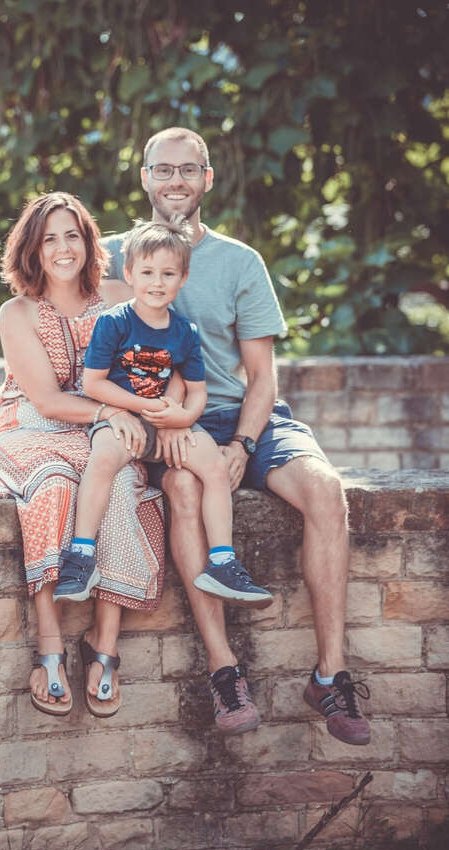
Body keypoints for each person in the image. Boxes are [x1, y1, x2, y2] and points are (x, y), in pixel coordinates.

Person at [103, 127, 371, 745]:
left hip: (248, 421)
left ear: (207, 179)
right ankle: (225, 672)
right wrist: (167, 421)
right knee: (186, 494)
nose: (175, 181)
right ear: (144, 176)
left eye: (188, 170)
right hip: (168, 421)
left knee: (327, 490)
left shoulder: (241, 261)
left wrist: (242, 446)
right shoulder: (115, 254)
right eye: (163, 169)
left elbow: (262, 379)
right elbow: (93, 346)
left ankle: (330, 674)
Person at [0, 192, 166, 719]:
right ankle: (49, 648)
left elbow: (156, 362)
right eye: (49, 238)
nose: (63, 248)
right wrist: (108, 415)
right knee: (55, 482)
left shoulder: (124, 296)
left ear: (88, 241)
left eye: (72, 235)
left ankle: (104, 648)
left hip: (104, 427)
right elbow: (47, 400)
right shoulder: (18, 312)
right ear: (32, 249)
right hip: (28, 427)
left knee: (123, 485)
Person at [53, 217, 272, 618]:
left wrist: (183, 418)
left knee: (216, 468)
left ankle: (222, 561)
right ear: (130, 273)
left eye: (168, 274)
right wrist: (140, 409)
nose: (157, 282)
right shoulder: (114, 321)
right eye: (148, 272)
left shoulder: (185, 331)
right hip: (126, 421)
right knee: (101, 460)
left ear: (182, 279)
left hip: (169, 422)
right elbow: (94, 383)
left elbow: (198, 389)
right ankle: (81, 556)